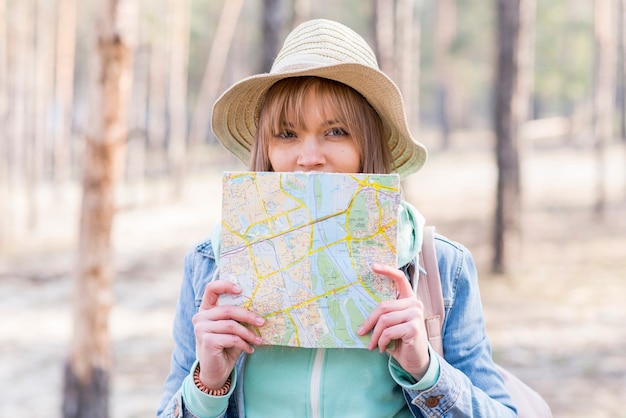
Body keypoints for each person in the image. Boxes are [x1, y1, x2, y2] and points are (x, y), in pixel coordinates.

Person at [157, 18, 517, 418]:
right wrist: (208, 383)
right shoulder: (210, 265)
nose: (309, 157)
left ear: (369, 145)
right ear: (267, 149)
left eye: (336, 131)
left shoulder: (440, 267)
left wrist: (426, 370)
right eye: (287, 134)